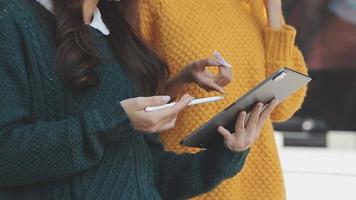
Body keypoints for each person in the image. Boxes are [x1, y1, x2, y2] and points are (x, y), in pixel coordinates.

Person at [0, 0, 278, 199]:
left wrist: (226, 155)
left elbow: (153, 175)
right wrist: (117, 120)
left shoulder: (119, 38)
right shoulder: (12, 19)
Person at [139, 0, 308, 199]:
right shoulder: (152, 4)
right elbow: (135, 103)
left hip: (256, 184)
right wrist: (182, 81)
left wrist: (273, 11)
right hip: (191, 181)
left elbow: (283, 108)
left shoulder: (256, 7)